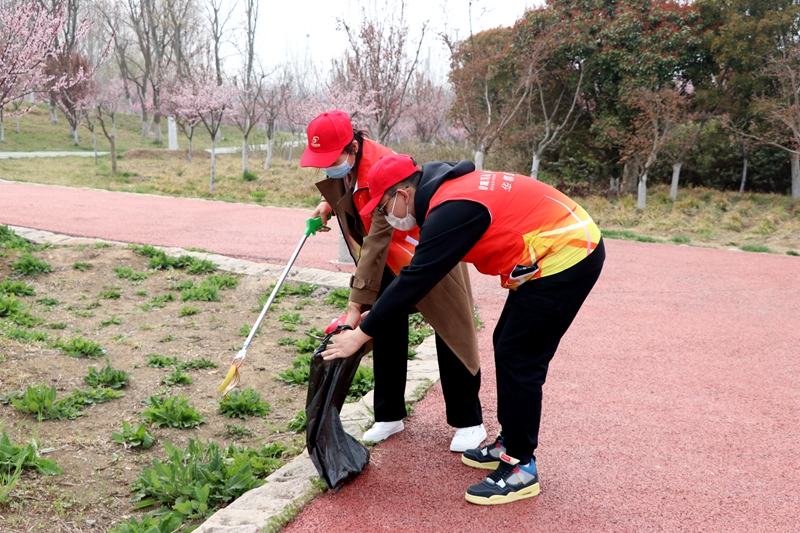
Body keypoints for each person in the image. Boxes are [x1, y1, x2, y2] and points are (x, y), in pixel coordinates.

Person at [320, 154, 605, 506]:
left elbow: (416, 280)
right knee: (507, 343)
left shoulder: (449, 210)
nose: (387, 217)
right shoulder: (443, 190)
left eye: (384, 207)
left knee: (520, 357)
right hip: (554, 247)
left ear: (404, 194)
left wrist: (360, 337)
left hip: (569, 253)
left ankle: (521, 466)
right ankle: (510, 441)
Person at [299, 111, 486, 452]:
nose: (327, 167)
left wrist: (355, 304)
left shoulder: (381, 167)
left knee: (451, 329)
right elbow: (348, 190)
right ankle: (389, 415)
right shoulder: (351, 162)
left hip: (426, 255)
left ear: (353, 146)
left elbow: (375, 239)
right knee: (384, 327)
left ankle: (469, 421)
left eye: (332, 160)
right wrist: (329, 202)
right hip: (387, 260)